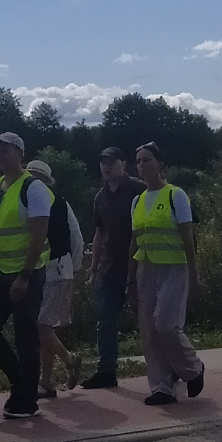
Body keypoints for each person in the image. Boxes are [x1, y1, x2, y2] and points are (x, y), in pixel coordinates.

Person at [0, 131, 51, 420]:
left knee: (25, 334)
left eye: (5, 150)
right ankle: (21, 380)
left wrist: (26, 275)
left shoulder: (32, 188)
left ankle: (26, 400)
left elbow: (39, 232)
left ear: (20, 153)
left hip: (24, 271)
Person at [127, 142, 205, 406]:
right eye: (138, 161)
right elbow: (134, 241)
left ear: (160, 164)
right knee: (149, 330)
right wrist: (130, 278)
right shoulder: (137, 200)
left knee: (166, 325)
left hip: (174, 266)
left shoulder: (176, 195)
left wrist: (194, 274)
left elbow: (188, 237)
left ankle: (192, 368)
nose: (142, 165)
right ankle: (161, 386)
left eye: (147, 160)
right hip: (146, 268)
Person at [81, 147, 145, 390]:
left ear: (123, 164)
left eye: (111, 162)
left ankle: (167, 366)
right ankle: (106, 370)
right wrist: (94, 268)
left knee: (147, 320)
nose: (106, 167)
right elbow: (99, 233)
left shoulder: (137, 189)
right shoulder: (101, 196)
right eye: (103, 163)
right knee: (105, 320)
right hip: (109, 267)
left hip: (138, 263)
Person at [26, 159, 84, 399]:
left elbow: (76, 238)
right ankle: (69, 359)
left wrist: (73, 268)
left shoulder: (59, 204)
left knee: (43, 325)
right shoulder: (27, 203)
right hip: (39, 269)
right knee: (42, 326)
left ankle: (47, 380)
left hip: (56, 268)